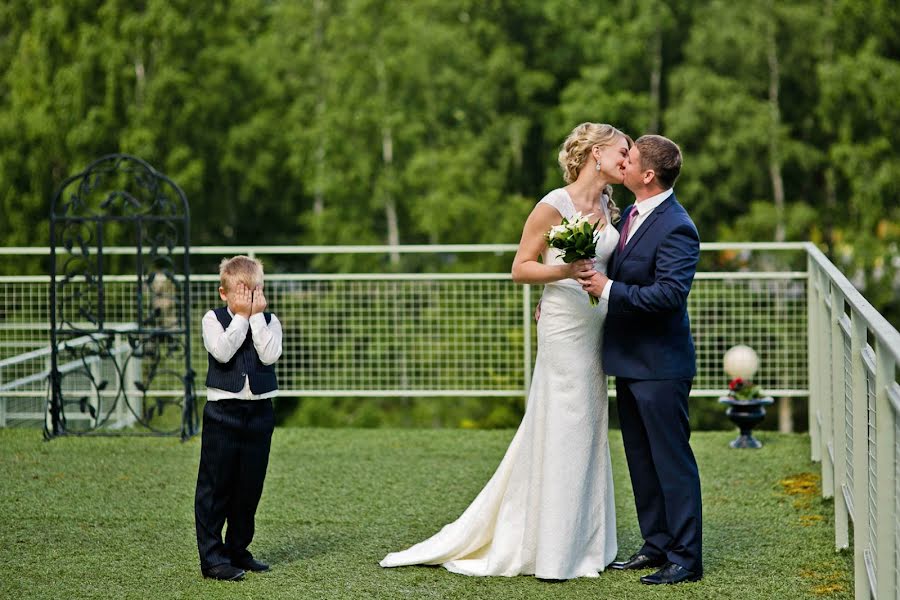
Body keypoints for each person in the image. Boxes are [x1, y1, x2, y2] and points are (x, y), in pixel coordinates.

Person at [380, 123, 629, 579]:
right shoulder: (553, 206)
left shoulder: (613, 208)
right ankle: (552, 550)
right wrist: (565, 274)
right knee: (561, 423)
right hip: (562, 327)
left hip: (595, 329)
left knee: (589, 426)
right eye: (622, 150)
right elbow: (520, 268)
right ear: (596, 153)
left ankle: (585, 542)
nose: (628, 159)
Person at [580, 134, 703, 585]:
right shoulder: (632, 211)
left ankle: (686, 558)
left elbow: (669, 296)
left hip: (662, 366)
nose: (622, 163)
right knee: (641, 460)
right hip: (630, 361)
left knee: (671, 462)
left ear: (647, 174)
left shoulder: (677, 225)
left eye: (628, 159)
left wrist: (608, 291)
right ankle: (656, 545)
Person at [194, 255, 283, 581]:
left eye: (255, 290)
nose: (249, 298)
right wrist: (242, 319)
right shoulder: (212, 319)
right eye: (242, 292)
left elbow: (270, 354)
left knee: (250, 486)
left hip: (260, 412)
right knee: (216, 486)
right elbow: (222, 351)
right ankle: (213, 558)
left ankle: (238, 550)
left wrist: (256, 319)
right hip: (223, 412)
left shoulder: (270, 320)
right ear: (224, 293)